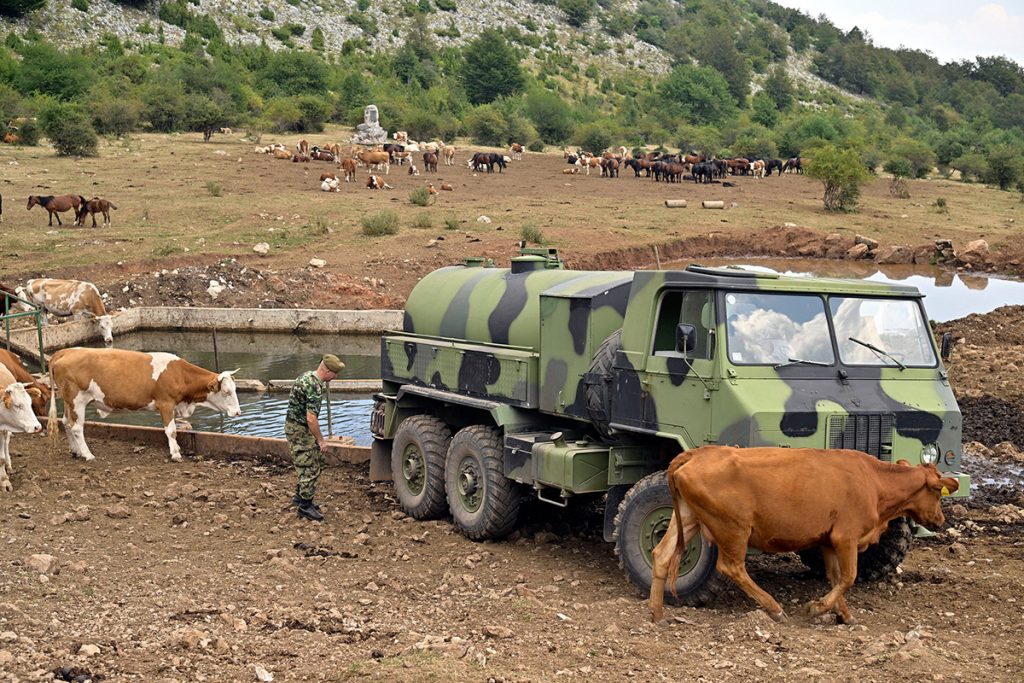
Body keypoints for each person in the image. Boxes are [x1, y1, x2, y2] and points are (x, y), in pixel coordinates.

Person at [285, 354, 345, 521]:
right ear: (327, 371)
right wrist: (321, 440)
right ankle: (305, 506)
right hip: (300, 431)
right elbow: (311, 419)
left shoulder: (305, 376)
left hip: (296, 428)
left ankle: (300, 497)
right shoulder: (314, 387)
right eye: (334, 373)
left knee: (316, 460)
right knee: (309, 466)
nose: (335, 377)